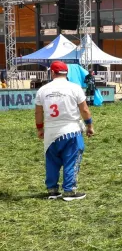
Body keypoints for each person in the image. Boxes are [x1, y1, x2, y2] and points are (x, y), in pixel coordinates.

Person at [34, 61, 94, 201]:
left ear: (52, 72)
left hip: (50, 132)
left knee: (52, 162)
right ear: (66, 73)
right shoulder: (74, 88)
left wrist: (40, 128)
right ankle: (69, 191)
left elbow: (38, 112)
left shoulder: (42, 90)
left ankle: (52, 190)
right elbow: (84, 110)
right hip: (71, 130)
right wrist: (89, 126)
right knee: (71, 160)